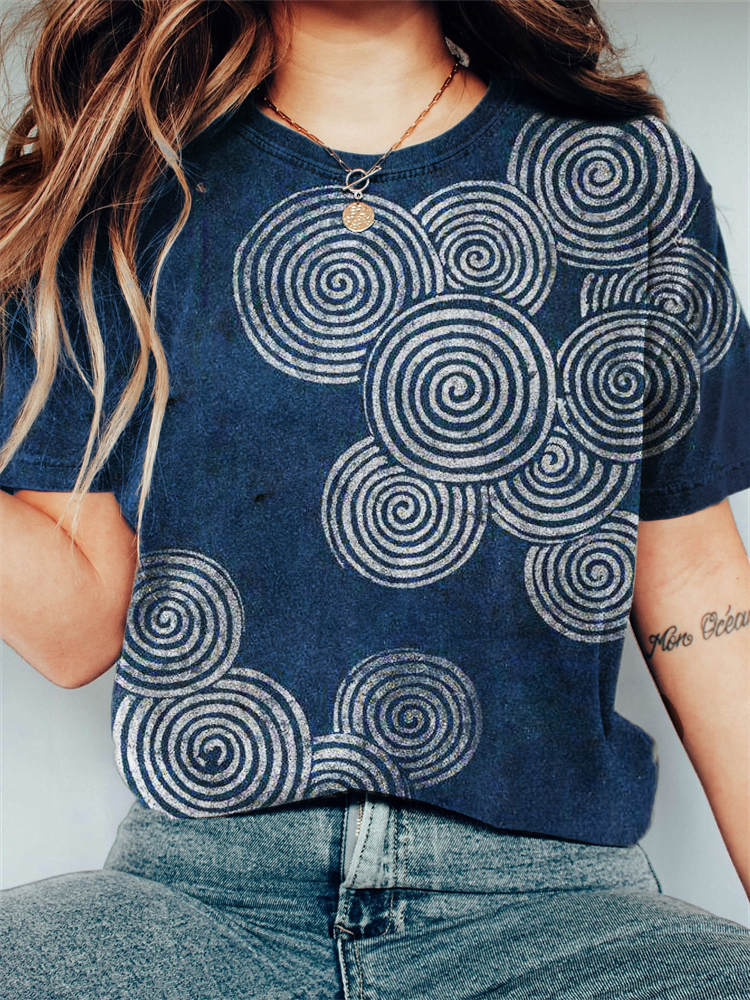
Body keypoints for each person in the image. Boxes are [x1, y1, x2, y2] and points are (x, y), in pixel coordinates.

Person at [1, 1, 749, 997]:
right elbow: (78, 627)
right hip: (200, 901)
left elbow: (694, 576)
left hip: (553, 906)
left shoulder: (622, 174)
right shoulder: (122, 186)